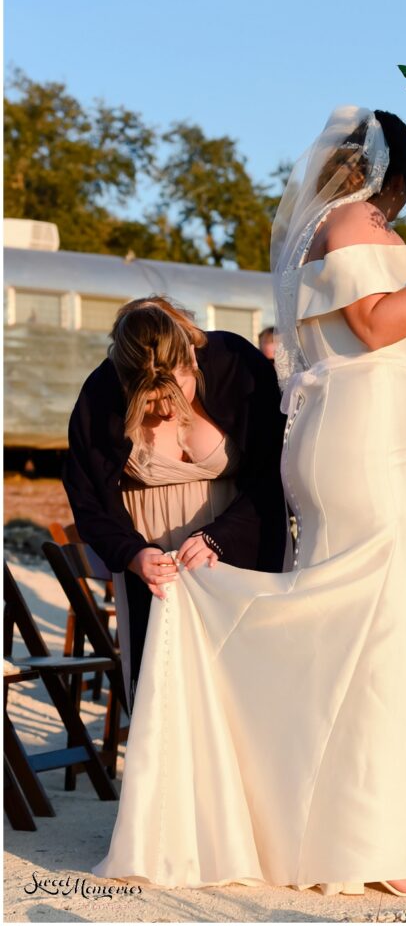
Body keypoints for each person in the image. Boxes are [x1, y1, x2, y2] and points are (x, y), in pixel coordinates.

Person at [86, 107, 406, 896]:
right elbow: (374, 322)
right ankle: (370, 845)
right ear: (395, 172)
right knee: (377, 639)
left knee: (371, 635)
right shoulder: (351, 224)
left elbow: (374, 329)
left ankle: (367, 825)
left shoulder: (338, 227)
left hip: (374, 452)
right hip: (368, 459)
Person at [63, 296, 287, 712]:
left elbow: (277, 471)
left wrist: (223, 536)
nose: (166, 412)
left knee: (243, 694)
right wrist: (132, 555)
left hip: (239, 551)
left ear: (192, 358)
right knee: (166, 699)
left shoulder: (236, 363)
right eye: (148, 403)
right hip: (153, 568)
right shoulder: (102, 390)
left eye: (177, 394)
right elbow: (88, 498)